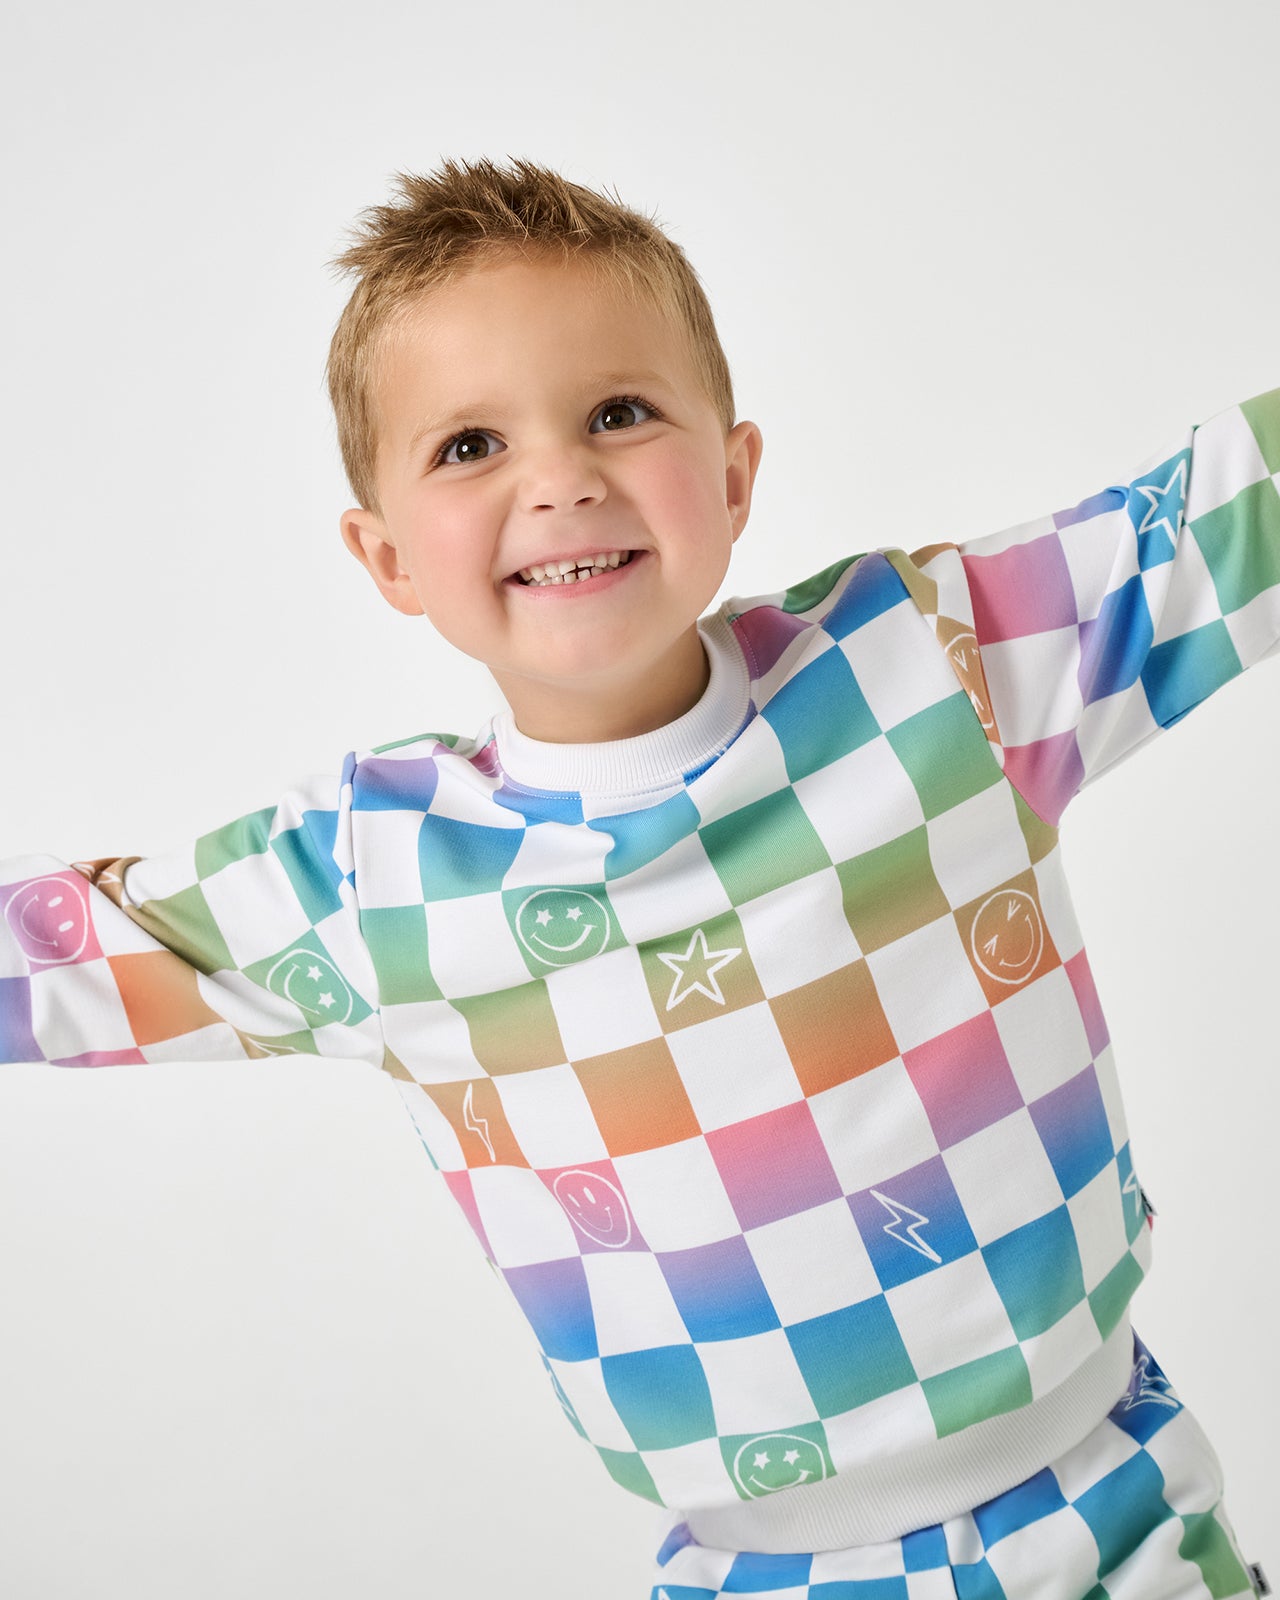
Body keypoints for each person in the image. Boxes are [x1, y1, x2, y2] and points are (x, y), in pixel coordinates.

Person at [1, 157, 1274, 1600]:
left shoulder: (931, 666)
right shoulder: (371, 881)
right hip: (765, 1574)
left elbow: (1220, 523)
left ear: (732, 480)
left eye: (618, 411)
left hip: (1119, 1510)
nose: (560, 478)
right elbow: (59, 954)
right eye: (469, 446)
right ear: (388, 557)